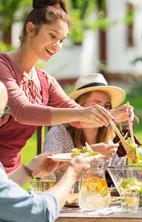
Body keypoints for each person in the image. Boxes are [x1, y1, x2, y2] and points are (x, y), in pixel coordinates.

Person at [0, 0, 130, 173]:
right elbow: (23, 111)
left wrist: (111, 116)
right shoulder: (3, 66)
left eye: (61, 40)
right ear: (30, 29)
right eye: (53, 35)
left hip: (11, 173)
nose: (57, 45)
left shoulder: (46, 81)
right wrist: (82, 113)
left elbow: (78, 119)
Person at [0, 80, 98, 222]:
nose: (4, 120)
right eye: (3, 114)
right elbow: (38, 212)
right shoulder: (61, 131)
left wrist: (29, 170)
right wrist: (72, 174)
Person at [43, 73, 137, 179]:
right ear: (79, 107)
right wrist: (89, 153)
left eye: (106, 106)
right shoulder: (59, 131)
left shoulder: (114, 135)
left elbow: (121, 178)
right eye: (96, 106)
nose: (103, 111)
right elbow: (48, 168)